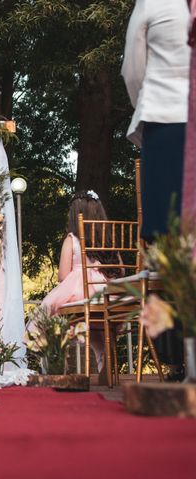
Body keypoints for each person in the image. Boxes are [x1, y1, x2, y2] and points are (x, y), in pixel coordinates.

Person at [122, 0, 190, 380]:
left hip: (165, 123)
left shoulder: (153, 3)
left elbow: (133, 68)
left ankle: (176, 357)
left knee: (164, 246)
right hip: (171, 121)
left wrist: (147, 104)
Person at [38, 190, 119, 374]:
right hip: (108, 294)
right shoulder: (108, 239)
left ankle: (56, 360)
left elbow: (62, 276)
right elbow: (119, 269)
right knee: (99, 328)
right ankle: (104, 359)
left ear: (75, 215)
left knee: (50, 315)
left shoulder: (72, 240)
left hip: (82, 293)